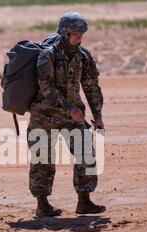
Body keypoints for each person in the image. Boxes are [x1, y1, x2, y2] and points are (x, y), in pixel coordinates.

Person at [28, 12, 106, 217]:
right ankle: (42, 205)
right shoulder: (48, 55)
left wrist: (97, 114)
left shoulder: (83, 56)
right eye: (75, 33)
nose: (79, 37)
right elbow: (46, 88)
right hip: (44, 115)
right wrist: (69, 108)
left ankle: (84, 201)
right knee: (43, 159)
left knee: (86, 151)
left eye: (81, 33)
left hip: (73, 116)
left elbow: (91, 86)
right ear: (64, 33)